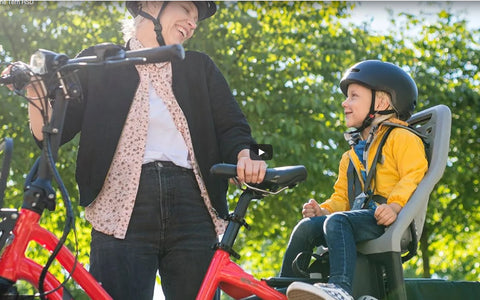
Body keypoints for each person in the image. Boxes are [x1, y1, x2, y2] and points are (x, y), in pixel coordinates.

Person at [4, 1, 267, 299]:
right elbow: (50, 133)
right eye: (186, 10)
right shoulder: (98, 61)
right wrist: (35, 89)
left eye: (197, 19)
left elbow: (233, 127)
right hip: (119, 209)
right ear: (151, 4)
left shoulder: (199, 66)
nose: (193, 23)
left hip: (193, 206)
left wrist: (246, 155)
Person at [282, 60, 428, 300]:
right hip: (359, 218)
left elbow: (414, 174)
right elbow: (342, 197)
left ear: (380, 102)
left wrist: (394, 205)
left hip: (390, 219)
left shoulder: (401, 137)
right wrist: (324, 210)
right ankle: (283, 287)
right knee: (307, 227)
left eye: (353, 96)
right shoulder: (352, 155)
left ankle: (341, 289)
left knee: (338, 222)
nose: (344, 103)